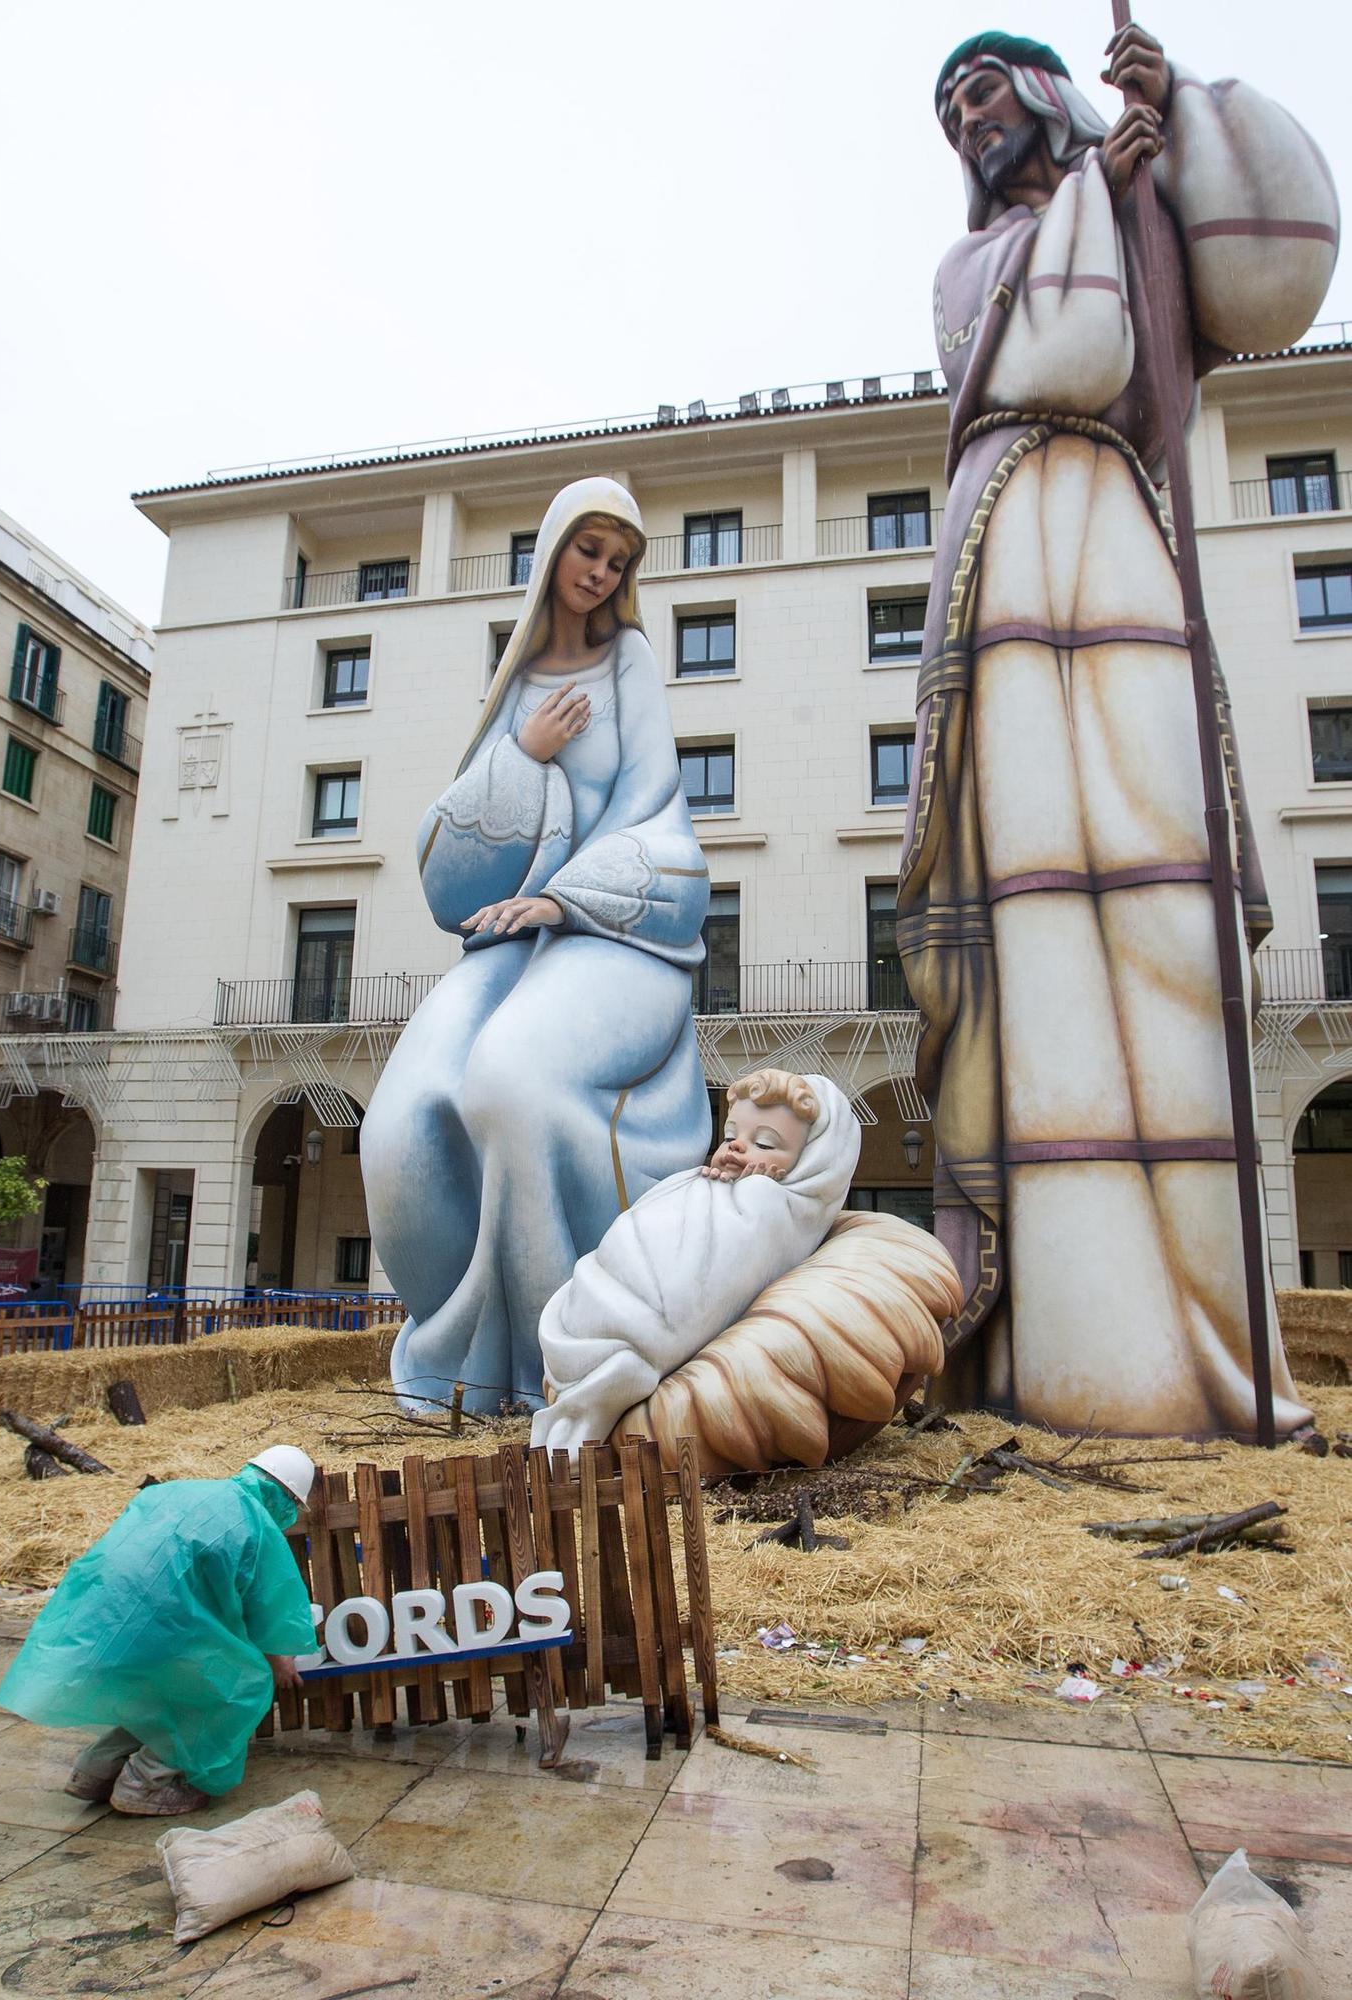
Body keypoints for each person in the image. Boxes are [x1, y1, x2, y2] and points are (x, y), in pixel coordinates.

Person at [898, 25, 1336, 1435]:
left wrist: (1176, 114)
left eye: (986, 90)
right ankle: (1077, 1346)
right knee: (1038, 930)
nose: (970, 118)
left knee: (1161, 905)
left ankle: (1202, 1351)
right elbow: (1065, 347)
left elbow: (1272, 271)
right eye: (949, 106)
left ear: (1043, 93)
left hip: (1125, 554)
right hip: (1016, 552)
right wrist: (1104, 189)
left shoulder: (1131, 194)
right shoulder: (968, 266)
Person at [362, 477, 711, 1416]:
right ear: (553, 550)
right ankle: (461, 1356)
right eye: (586, 550)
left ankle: (564, 1361)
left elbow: (659, 819)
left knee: (512, 1079)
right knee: (400, 1123)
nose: (599, 573)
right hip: (510, 946)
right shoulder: (517, 684)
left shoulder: (630, 662)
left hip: (614, 931)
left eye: (617, 560)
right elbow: (449, 874)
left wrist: (562, 899)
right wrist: (522, 750)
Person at [530, 1070, 860, 1458]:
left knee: (627, 1341)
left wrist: (756, 1190)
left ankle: (601, 1383)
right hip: (601, 1289)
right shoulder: (710, 1180)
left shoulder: (772, 1209)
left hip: (643, 1321)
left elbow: (712, 1281)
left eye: (765, 1143)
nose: (736, 1148)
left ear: (814, 1166)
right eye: (730, 1136)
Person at [0, 1446, 317, 1816]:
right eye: (294, 1506)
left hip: (102, 1617)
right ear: (287, 1496)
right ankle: (144, 1784)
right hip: (159, 1627)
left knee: (156, 1693)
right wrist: (280, 1661)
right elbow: (271, 1608)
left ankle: (94, 1771)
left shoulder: (176, 1492)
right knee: (232, 1686)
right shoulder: (255, 1525)